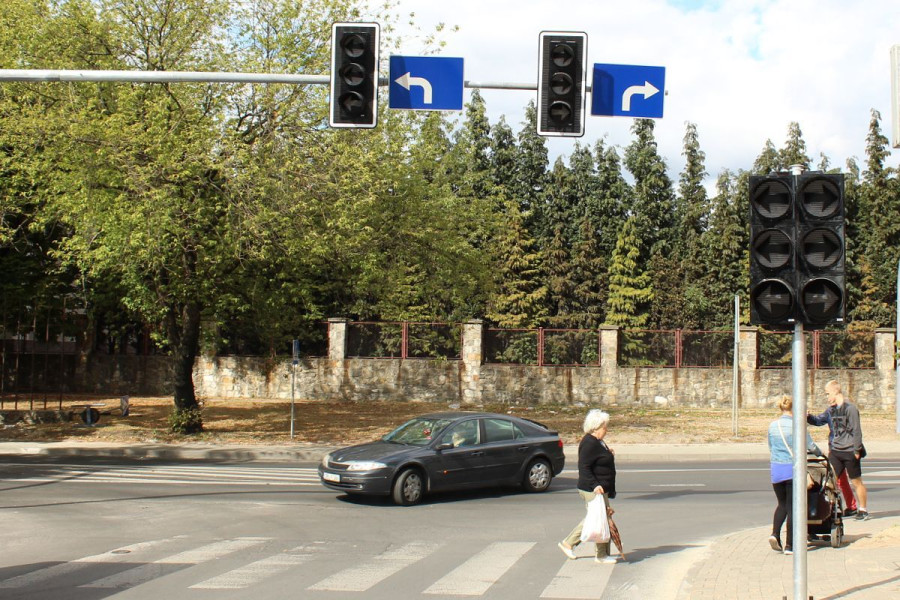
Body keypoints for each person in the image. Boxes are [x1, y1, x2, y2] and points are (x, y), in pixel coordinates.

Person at [558, 409, 618, 564]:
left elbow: (598, 458)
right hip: (591, 489)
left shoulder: (598, 441)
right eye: (605, 427)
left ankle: (595, 551)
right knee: (598, 518)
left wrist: (608, 454)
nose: (607, 429)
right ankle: (599, 554)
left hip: (599, 488)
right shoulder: (589, 443)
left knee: (600, 518)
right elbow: (584, 467)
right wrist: (595, 485)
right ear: (595, 427)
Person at [767, 395, 822, 555]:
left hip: (776, 469)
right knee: (792, 507)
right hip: (792, 469)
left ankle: (775, 534)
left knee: (781, 504)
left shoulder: (773, 426)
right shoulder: (798, 426)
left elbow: (770, 447)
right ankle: (790, 545)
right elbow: (811, 446)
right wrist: (820, 454)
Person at [808, 379, 870, 520]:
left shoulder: (850, 409)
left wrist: (856, 450)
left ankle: (863, 509)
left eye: (827, 393)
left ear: (836, 392)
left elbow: (856, 431)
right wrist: (808, 417)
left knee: (856, 481)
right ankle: (831, 509)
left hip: (850, 451)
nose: (826, 396)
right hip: (835, 451)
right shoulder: (831, 410)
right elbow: (818, 421)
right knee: (830, 481)